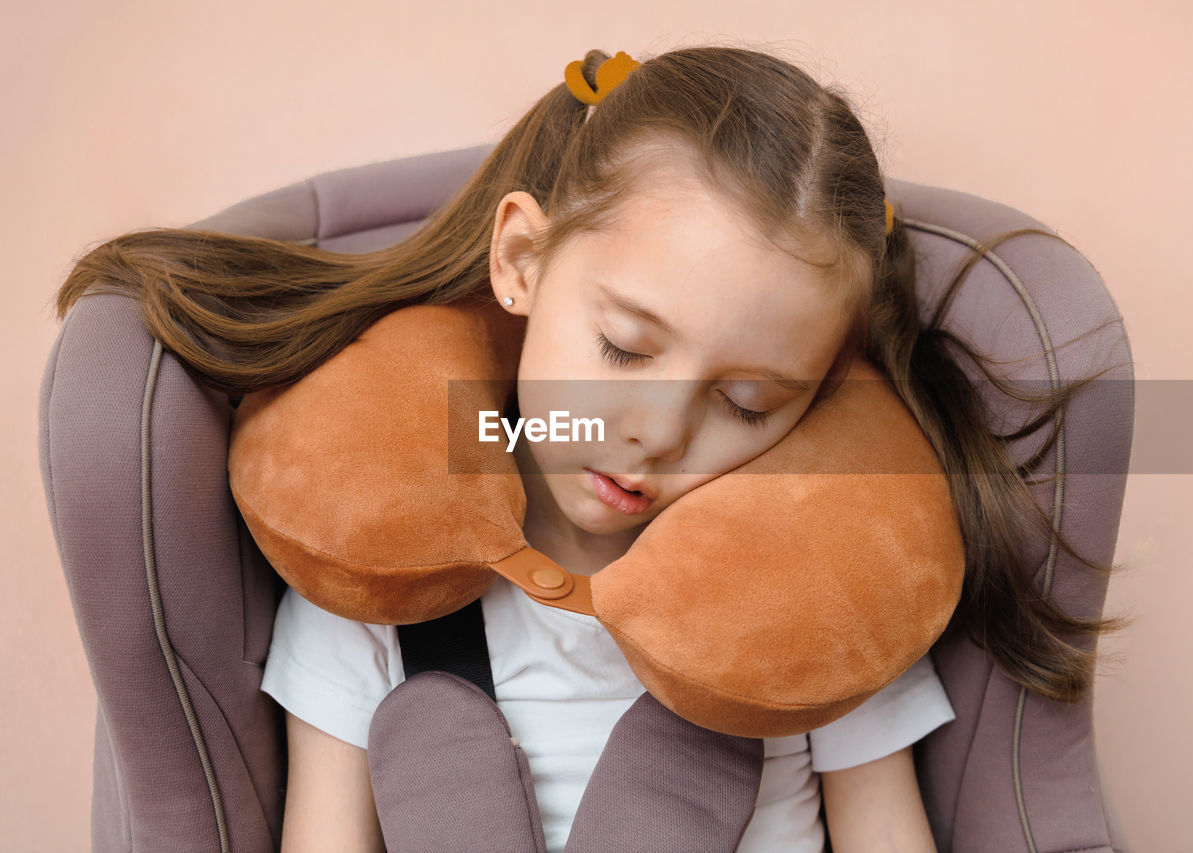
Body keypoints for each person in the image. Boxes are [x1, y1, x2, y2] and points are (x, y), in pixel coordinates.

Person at [54, 44, 1129, 853]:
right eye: (621, 348)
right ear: (520, 260)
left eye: (748, 403)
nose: (654, 432)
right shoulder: (381, 573)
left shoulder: (819, 607)